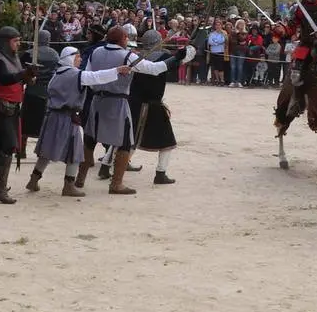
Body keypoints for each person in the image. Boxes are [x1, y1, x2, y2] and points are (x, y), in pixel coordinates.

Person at [26, 46, 138, 196]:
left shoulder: (57, 73)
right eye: (77, 57)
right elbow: (96, 77)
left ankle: (33, 180)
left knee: (47, 151)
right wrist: (117, 70)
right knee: (75, 152)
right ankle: (69, 186)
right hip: (67, 119)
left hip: (52, 117)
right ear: (70, 58)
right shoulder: (76, 75)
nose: (80, 60)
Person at [123, 29, 196, 184]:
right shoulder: (164, 58)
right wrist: (189, 50)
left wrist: (182, 53)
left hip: (134, 102)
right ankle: (160, 173)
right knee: (167, 142)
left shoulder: (135, 57)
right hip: (153, 105)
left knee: (128, 138)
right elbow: (183, 59)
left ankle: (107, 166)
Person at [0, 26, 36, 204]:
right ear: (6, 41)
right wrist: (23, 74)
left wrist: (28, 77)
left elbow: (15, 77)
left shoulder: (12, 56)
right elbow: (4, 78)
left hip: (10, 107)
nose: (18, 44)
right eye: (15, 41)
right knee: (8, 145)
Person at [80, 26, 138, 194]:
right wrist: (176, 59)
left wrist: (99, 88)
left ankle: (79, 179)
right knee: (125, 142)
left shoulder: (96, 52)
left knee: (90, 139)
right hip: (117, 103)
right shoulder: (127, 56)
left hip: (97, 100)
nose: (127, 41)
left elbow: (88, 77)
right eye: (126, 38)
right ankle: (116, 184)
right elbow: (154, 68)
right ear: (121, 39)